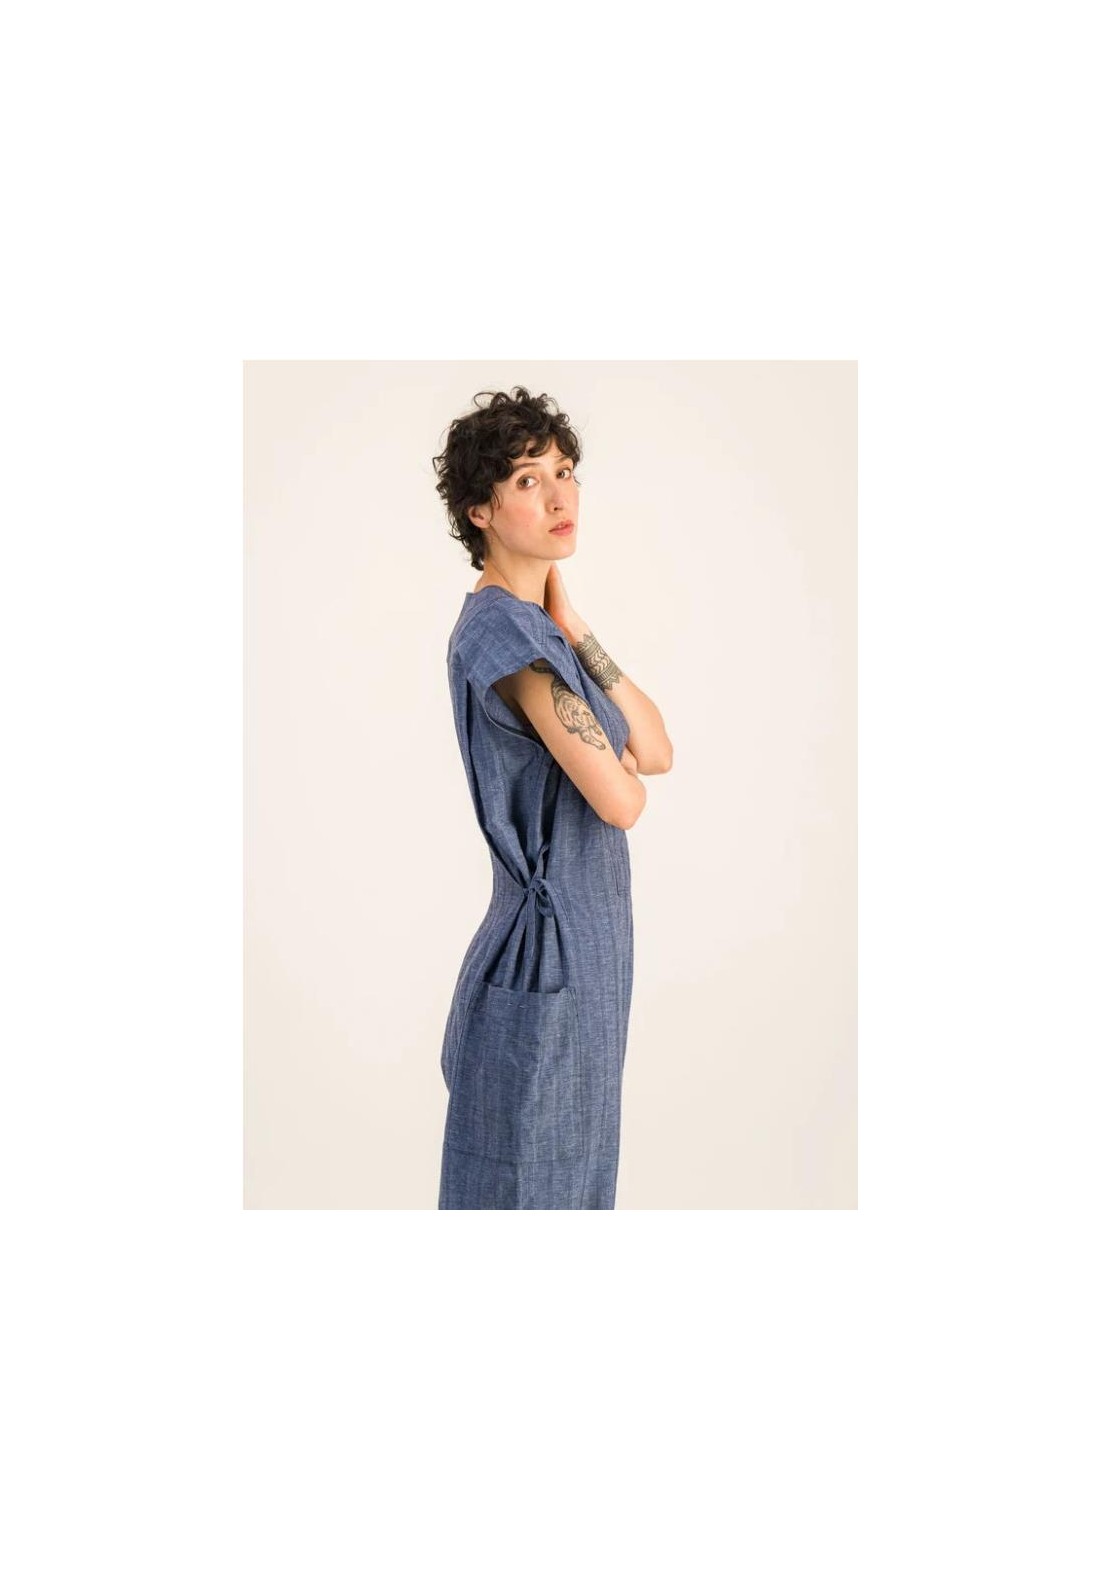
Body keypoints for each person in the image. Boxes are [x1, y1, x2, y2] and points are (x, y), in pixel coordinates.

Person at [431, 386, 673, 1209]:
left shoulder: (542, 631)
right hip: (547, 954)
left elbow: (654, 752)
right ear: (480, 511)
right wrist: (615, 764)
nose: (560, 496)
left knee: (575, 1186)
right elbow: (622, 801)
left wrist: (576, 628)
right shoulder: (503, 633)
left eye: (565, 472)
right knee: (528, 1193)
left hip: (589, 953)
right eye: (528, 480)